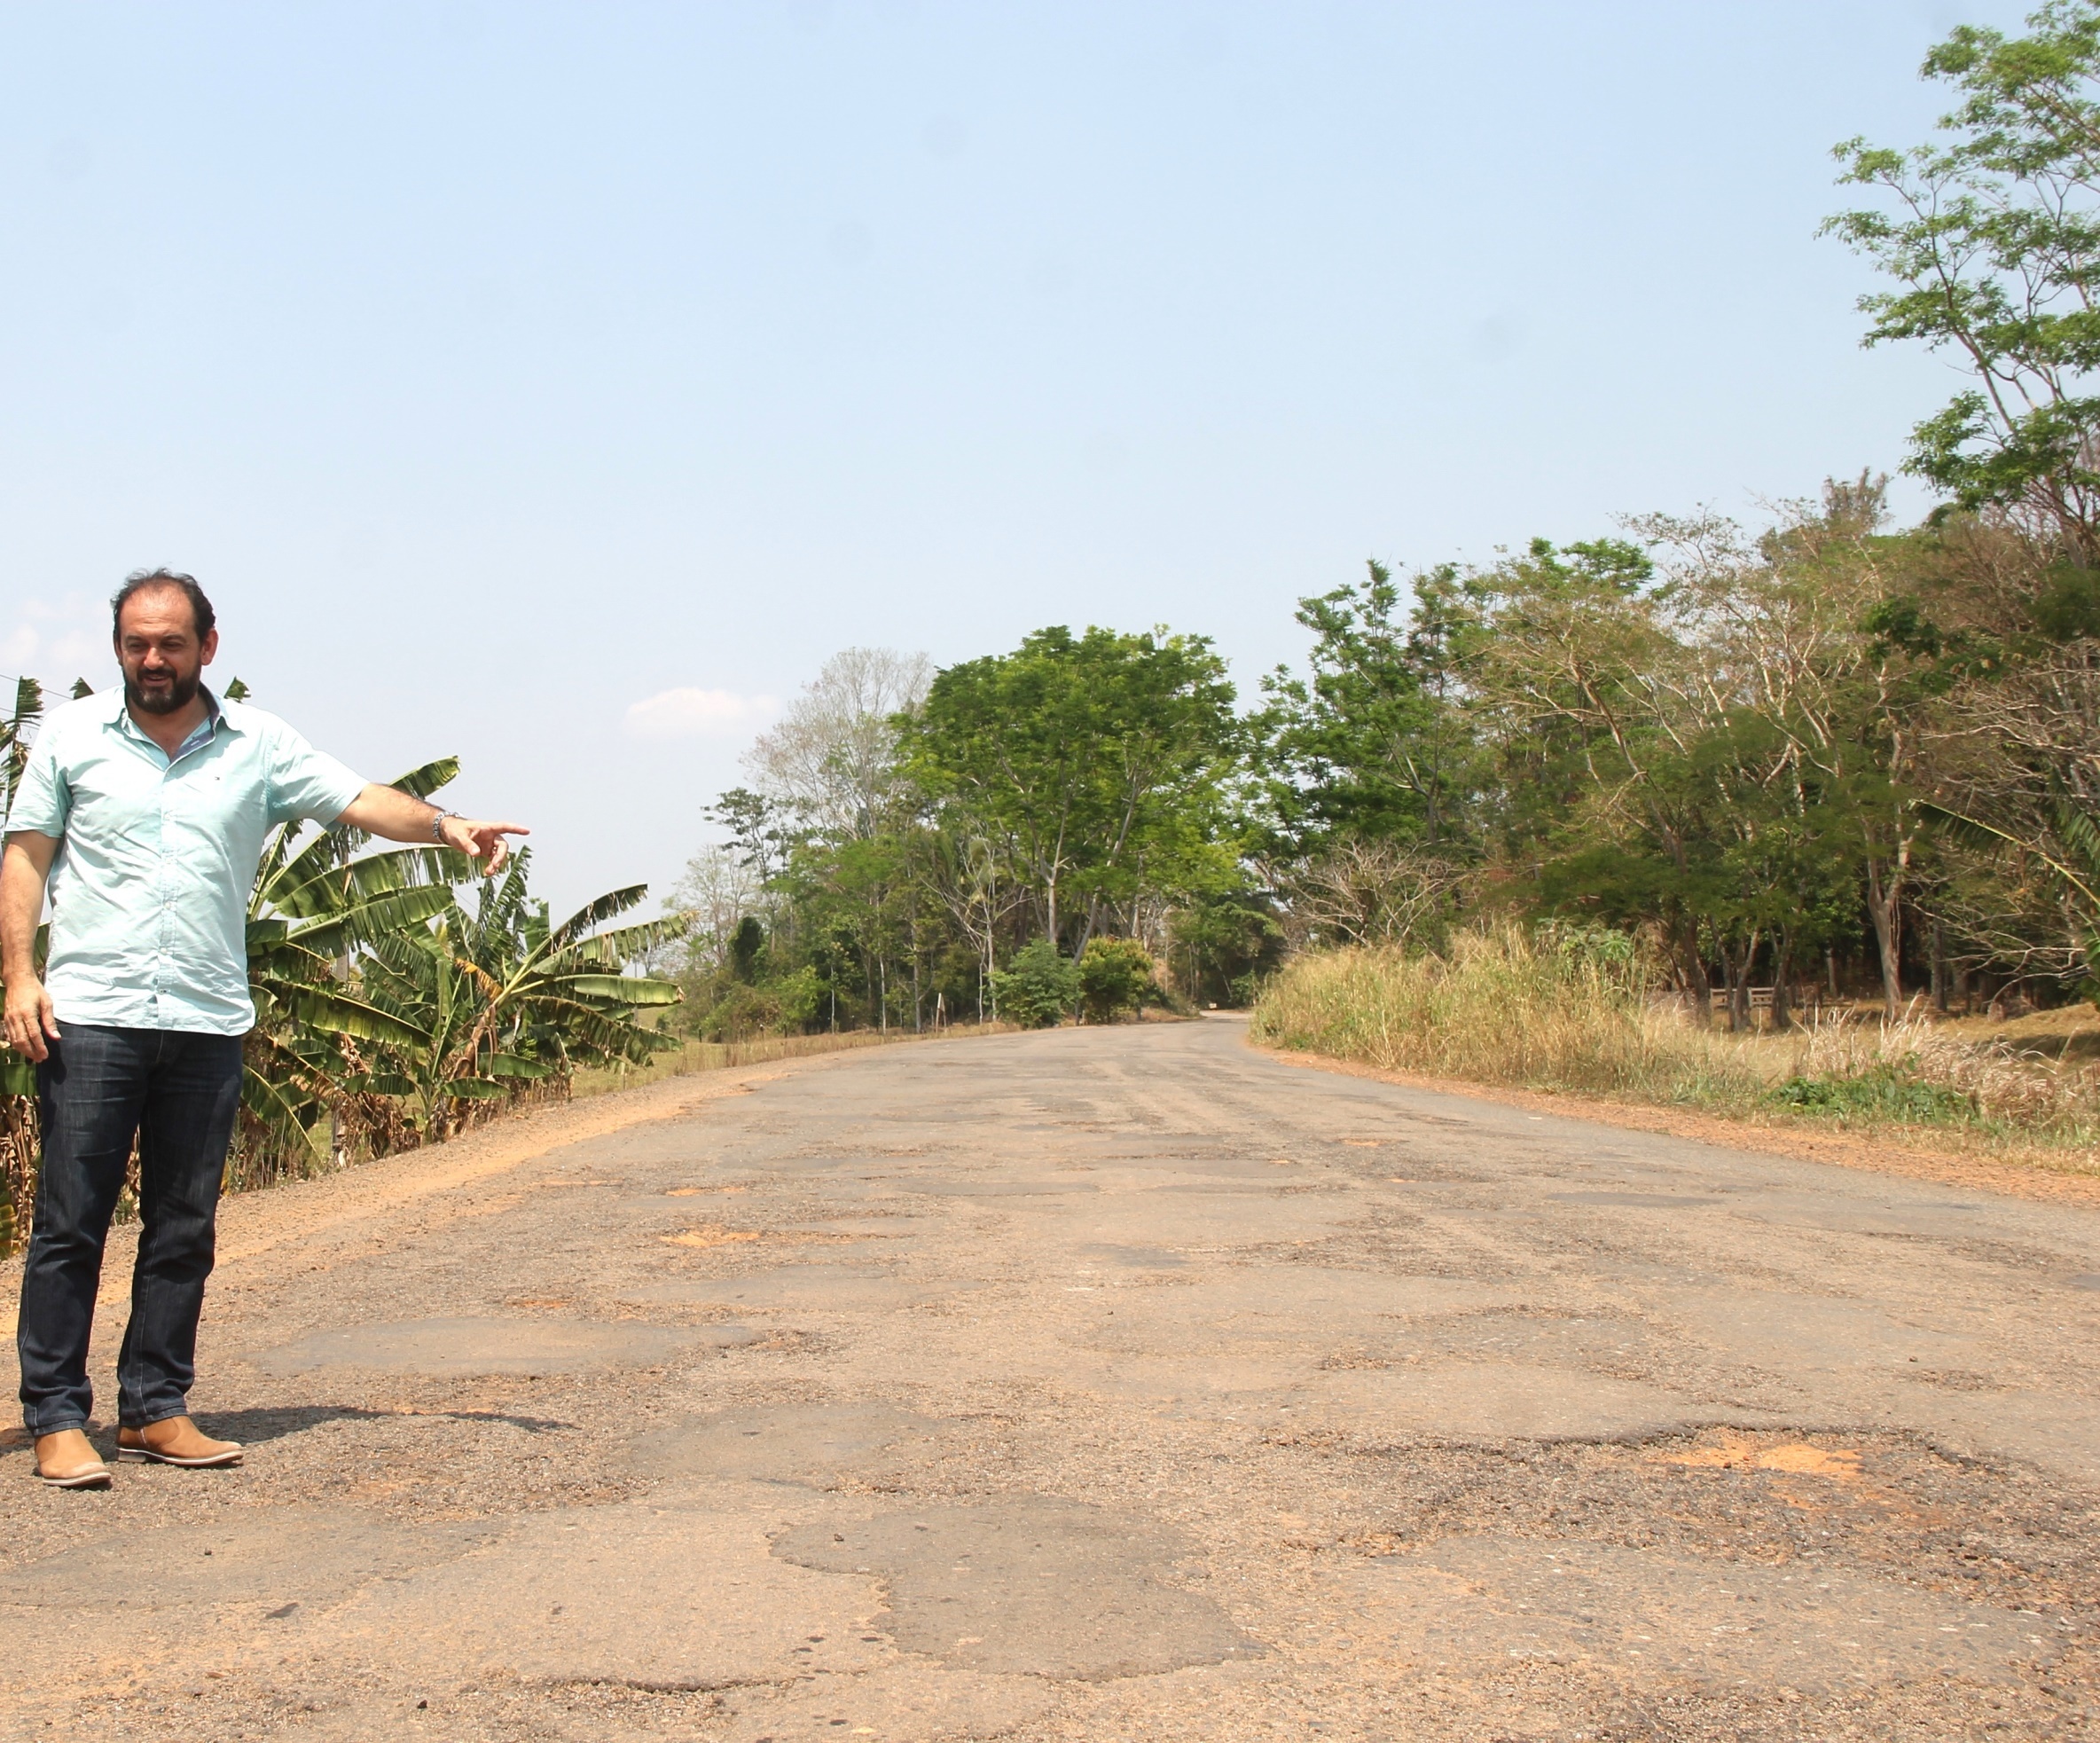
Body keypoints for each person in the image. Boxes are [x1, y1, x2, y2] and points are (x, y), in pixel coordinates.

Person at [0, 569, 526, 1488]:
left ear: (208, 645)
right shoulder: (75, 738)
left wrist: (446, 827)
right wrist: (17, 975)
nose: (151, 659)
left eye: (169, 642)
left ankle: (155, 1408)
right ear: (118, 647)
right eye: (135, 644)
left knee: (183, 1226)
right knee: (70, 1225)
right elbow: (27, 854)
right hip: (92, 1016)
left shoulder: (259, 744)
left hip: (205, 1018)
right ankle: (55, 1416)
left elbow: (361, 800)